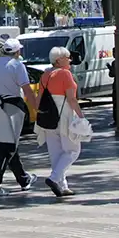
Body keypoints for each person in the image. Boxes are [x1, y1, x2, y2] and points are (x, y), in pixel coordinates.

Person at [0, 38, 38, 197]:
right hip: (12, 107)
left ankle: (23, 179)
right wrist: (37, 109)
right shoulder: (17, 65)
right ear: (17, 52)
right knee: (6, 147)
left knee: (6, 144)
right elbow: (27, 90)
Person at [34, 46, 87, 197]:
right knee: (72, 150)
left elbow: (39, 99)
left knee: (56, 153)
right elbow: (71, 99)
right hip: (65, 115)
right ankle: (54, 178)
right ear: (59, 60)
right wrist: (81, 116)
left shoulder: (45, 75)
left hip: (48, 117)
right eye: (67, 57)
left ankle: (62, 186)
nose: (70, 59)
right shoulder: (65, 74)